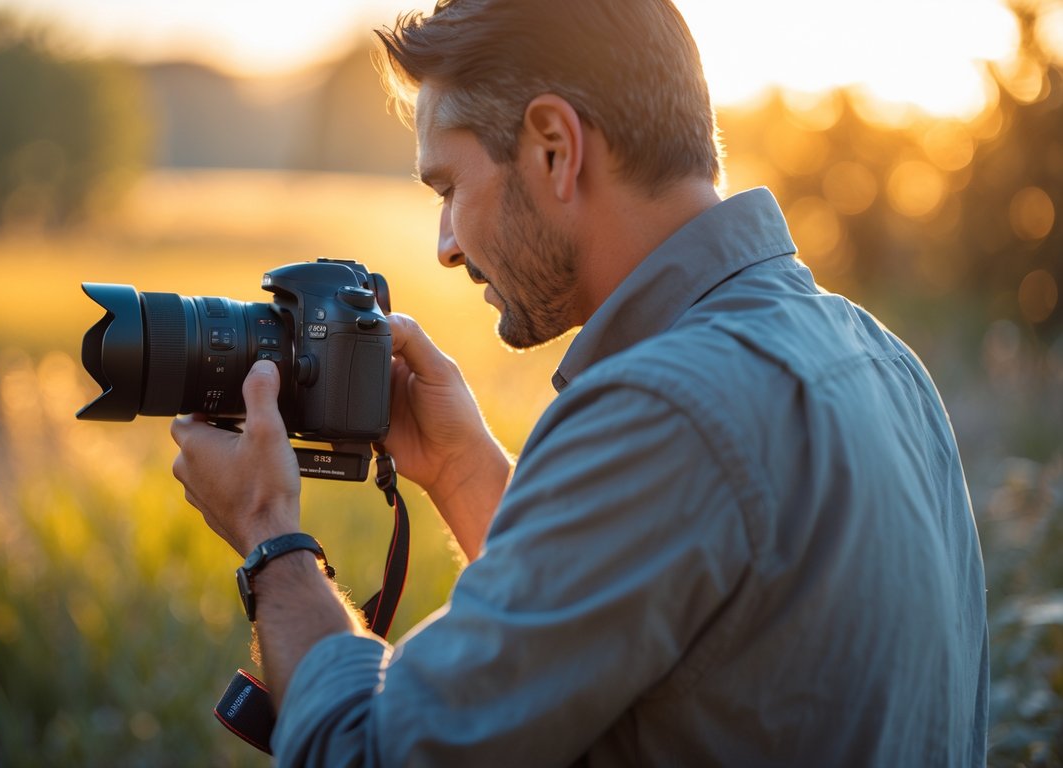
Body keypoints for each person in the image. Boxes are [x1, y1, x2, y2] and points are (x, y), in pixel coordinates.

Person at [170, 0, 990, 764]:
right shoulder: (883, 361)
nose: (445, 246)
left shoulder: (664, 411)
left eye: (450, 188)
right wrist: (462, 470)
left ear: (554, 148)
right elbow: (638, 632)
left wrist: (270, 536)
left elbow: (370, 753)